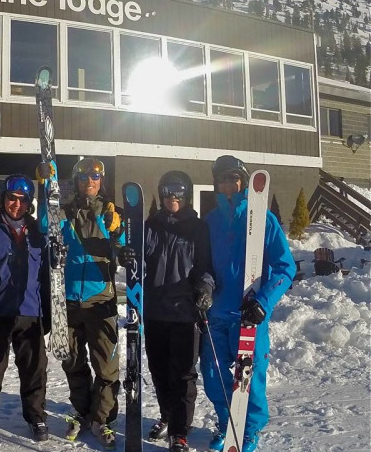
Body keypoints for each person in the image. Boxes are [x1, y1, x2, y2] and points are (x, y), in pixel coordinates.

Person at [201, 156, 296, 452]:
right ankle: (226, 422)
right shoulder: (210, 221)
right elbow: (201, 265)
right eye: (223, 179)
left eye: (233, 178)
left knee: (249, 378)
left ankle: (250, 430)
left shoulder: (263, 219)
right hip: (216, 314)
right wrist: (201, 288)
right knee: (213, 374)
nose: (228, 184)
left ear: (243, 181)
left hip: (249, 315)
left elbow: (285, 268)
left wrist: (263, 303)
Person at [118, 171, 214, 452]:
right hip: (156, 311)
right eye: (167, 191)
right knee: (159, 371)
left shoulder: (197, 228)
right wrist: (125, 254)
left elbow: (205, 266)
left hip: (185, 313)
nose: (172, 197)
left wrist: (205, 289)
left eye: (177, 191)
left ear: (186, 194)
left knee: (183, 375)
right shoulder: (150, 226)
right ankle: (167, 415)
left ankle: (180, 431)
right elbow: (136, 256)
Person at [40, 157, 124, 450]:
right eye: (84, 176)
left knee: (107, 367)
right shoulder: (63, 213)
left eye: (95, 177)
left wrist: (119, 231)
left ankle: (102, 418)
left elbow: (126, 245)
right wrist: (45, 189)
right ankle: (81, 410)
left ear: (101, 182)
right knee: (73, 362)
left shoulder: (111, 214)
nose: (90, 181)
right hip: (68, 302)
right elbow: (43, 226)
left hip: (101, 300)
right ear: (76, 182)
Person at [0, 175, 51, 449]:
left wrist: (49, 312)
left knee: (34, 369)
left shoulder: (39, 232)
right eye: (12, 198)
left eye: (22, 200)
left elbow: (48, 275)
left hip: (30, 309)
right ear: (3, 199)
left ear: (29, 203)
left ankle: (36, 417)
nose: (16, 204)